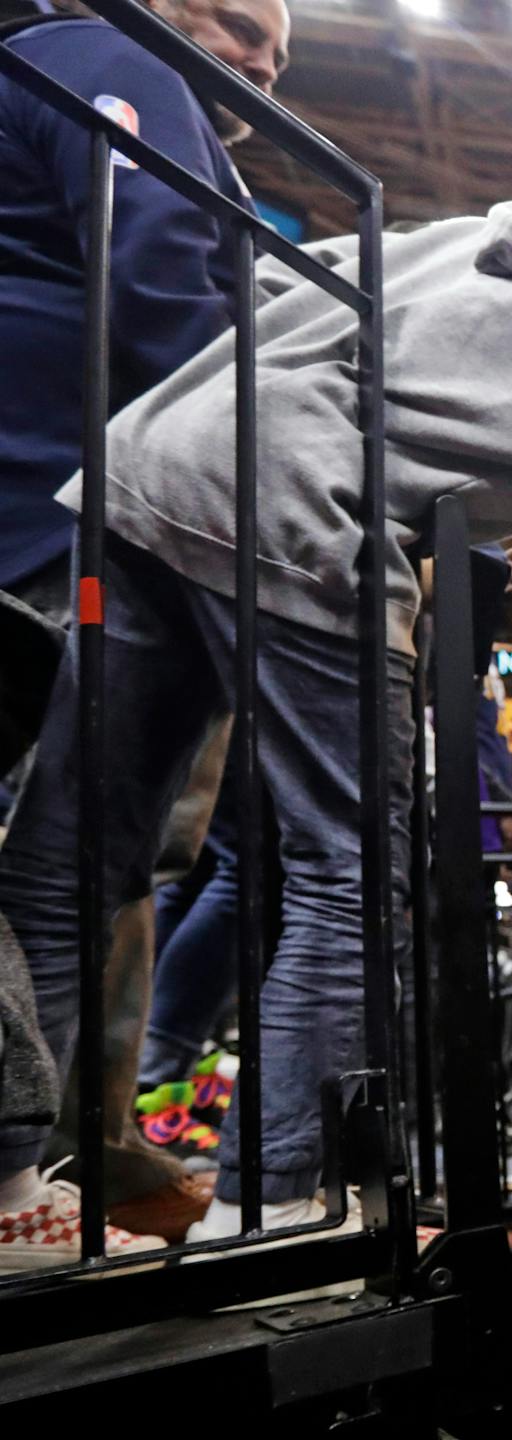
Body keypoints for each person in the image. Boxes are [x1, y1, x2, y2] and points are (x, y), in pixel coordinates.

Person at [0, 99, 512, 1264]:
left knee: (72, 850)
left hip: (153, 471)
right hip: (295, 526)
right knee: (350, 871)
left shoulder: (474, 240)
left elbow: (278, 286)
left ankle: (14, 1188)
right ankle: (271, 1203)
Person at [0, 0, 291, 1257]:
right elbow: (166, 276)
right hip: (42, 533)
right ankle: (24, 1179)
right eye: (237, 23)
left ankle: (67, 1161)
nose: (264, 63)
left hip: (90, 533)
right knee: (52, 867)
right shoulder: (107, 57)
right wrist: (313, 490)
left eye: (282, 52)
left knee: (96, 873)